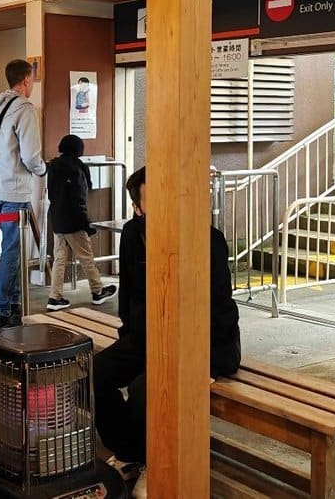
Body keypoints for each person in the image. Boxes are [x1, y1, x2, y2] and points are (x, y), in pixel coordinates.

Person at [94, 167, 240, 499]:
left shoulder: (208, 238)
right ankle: (130, 452)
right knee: (95, 373)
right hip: (147, 337)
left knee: (145, 388)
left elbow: (220, 306)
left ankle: (157, 464)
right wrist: (130, 341)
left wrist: (207, 362)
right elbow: (129, 297)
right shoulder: (133, 234)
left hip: (204, 344)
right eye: (153, 200)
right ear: (138, 208)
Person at [0, 59, 46, 330]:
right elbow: (31, 156)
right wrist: (42, 169)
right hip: (12, 190)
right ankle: (2, 311)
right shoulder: (24, 109)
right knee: (11, 251)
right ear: (26, 79)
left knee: (12, 249)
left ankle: (14, 304)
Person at [45, 134, 116, 311]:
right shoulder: (77, 168)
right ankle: (98, 291)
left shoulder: (53, 166)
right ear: (78, 150)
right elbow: (78, 200)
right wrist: (86, 223)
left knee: (59, 259)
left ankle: (55, 297)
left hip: (57, 219)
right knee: (86, 257)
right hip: (74, 221)